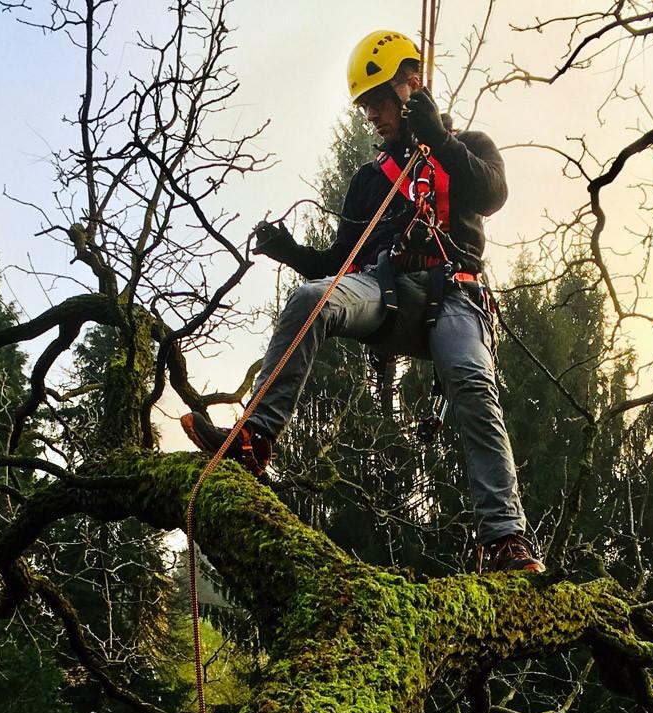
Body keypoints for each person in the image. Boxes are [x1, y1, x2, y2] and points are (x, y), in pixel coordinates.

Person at [181, 30, 544, 573]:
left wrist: (439, 142)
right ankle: (255, 438)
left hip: (455, 296)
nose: (371, 113)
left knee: (470, 377)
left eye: (378, 99)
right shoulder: (371, 180)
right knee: (311, 299)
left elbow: (492, 194)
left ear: (411, 84)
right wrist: (293, 254)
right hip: (388, 292)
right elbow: (341, 260)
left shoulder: (469, 147)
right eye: (366, 104)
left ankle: (505, 539)